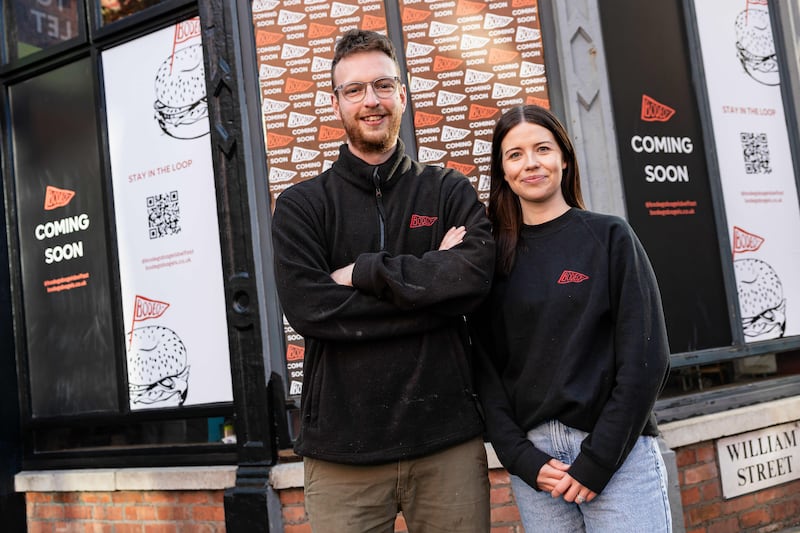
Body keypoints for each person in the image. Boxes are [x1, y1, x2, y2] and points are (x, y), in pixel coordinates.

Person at [271, 29, 495, 533]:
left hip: (447, 444)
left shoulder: (446, 191)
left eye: (382, 85)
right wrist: (431, 288)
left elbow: (474, 279)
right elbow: (311, 310)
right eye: (354, 90)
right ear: (336, 104)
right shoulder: (302, 206)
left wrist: (364, 274)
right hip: (341, 457)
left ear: (403, 94)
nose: (370, 101)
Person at [470, 104, 672, 532]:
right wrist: (521, 458)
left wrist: (598, 460)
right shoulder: (491, 259)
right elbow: (485, 372)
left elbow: (646, 359)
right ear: (502, 170)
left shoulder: (610, 237)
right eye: (515, 154)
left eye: (542, 148)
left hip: (616, 452)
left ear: (564, 157)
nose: (531, 163)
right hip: (537, 464)